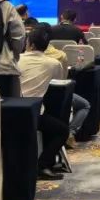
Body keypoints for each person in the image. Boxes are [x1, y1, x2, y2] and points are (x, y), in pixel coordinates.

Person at [17, 26, 72, 179]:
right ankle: (43, 165)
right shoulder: (53, 63)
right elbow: (61, 82)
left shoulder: (16, 59)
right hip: (35, 113)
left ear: (30, 44)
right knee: (62, 131)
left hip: (13, 110)